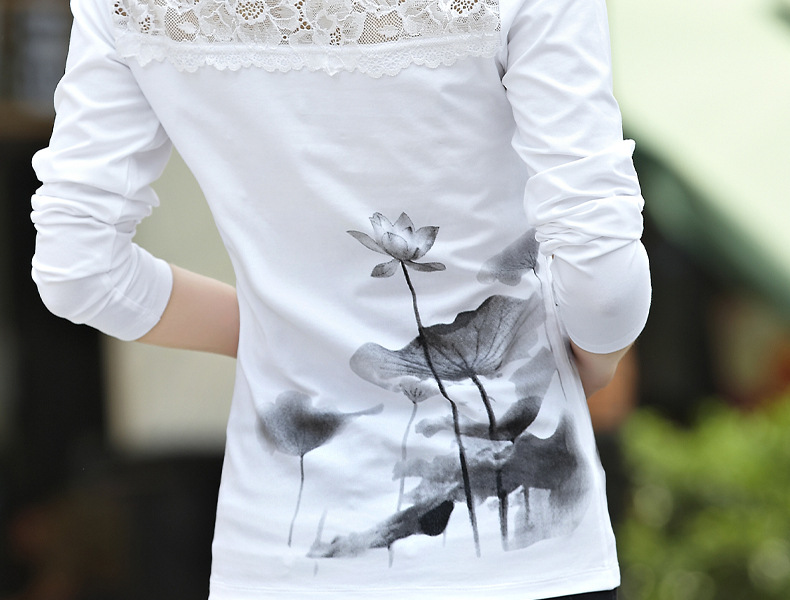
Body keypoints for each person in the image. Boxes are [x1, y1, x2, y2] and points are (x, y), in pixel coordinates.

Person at [30, 0, 651, 597]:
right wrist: (595, 359)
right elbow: (603, 286)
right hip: (521, 565)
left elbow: (79, 268)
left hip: (283, 558)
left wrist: (273, 333)